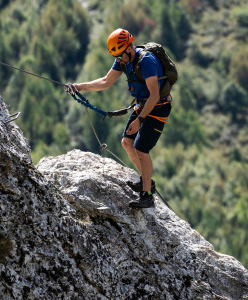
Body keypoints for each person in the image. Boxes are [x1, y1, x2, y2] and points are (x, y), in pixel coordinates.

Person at [65, 28, 171, 209]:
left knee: (141, 148)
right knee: (127, 143)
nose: (118, 60)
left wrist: (139, 120)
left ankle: (147, 196)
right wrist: (79, 87)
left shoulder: (147, 61)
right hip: (142, 105)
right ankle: (147, 182)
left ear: (129, 49)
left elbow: (154, 96)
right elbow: (106, 81)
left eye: (120, 56)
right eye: (116, 57)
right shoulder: (123, 60)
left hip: (158, 107)